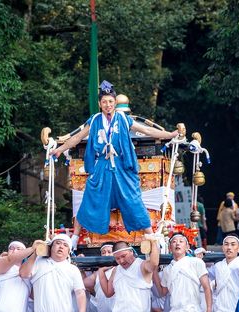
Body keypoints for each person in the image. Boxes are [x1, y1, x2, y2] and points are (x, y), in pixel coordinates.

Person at [51, 81, 179, 240]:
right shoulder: (95, 120)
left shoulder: (124, 119)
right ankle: (75, 239)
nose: (107, 105)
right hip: (102, 165)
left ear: (115, 103)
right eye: (104, 102)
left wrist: (169, 135)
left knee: (132, 197)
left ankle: (151, 236)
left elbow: (146, 130)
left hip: (121, 165)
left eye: (110, 101)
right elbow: (77, 137)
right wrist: (59, 150)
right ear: (99, 103)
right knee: (90, 196)